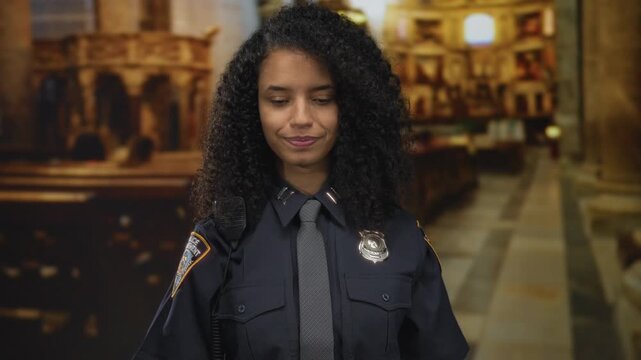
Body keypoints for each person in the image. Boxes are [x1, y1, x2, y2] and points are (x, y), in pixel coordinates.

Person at [133, 4, 468, 360]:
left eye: (322, 99)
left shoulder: (400, 235)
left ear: (353, 107)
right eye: (279, 100)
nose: (301, 118)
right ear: (252, 108)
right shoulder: (219, 241)